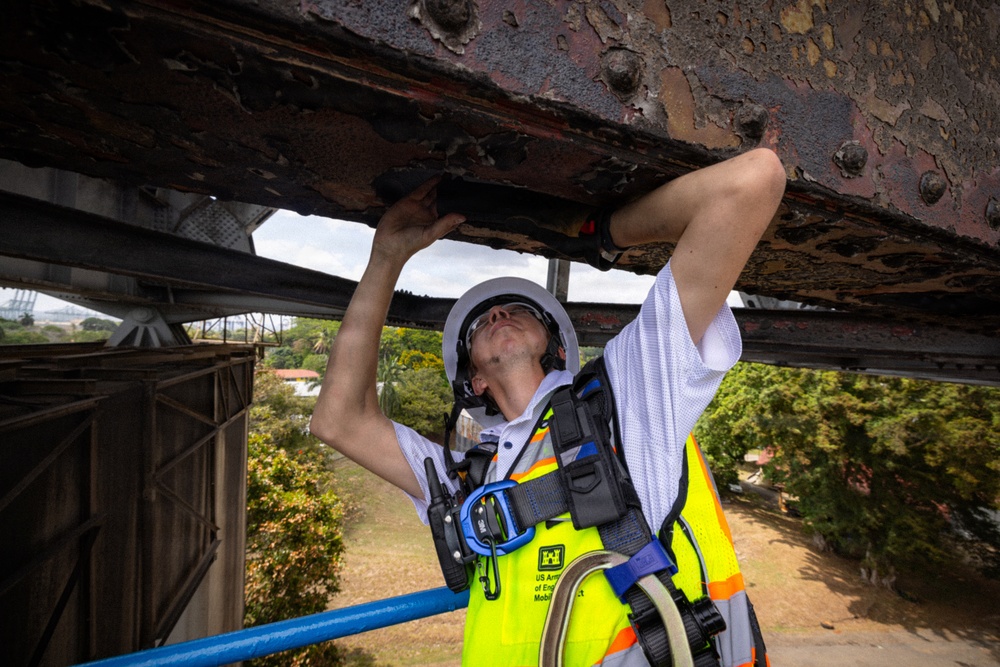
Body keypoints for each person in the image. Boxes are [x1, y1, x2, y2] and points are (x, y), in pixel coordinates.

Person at [311, 147, 786, 667]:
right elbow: (338, 421)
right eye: (481, 324)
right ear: (474, 380)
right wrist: (386, 256)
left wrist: (597, 233)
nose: (497, 311)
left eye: (516, 309)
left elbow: (749, 181)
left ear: (555, 345)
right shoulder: (469, 485)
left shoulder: (626, 399)